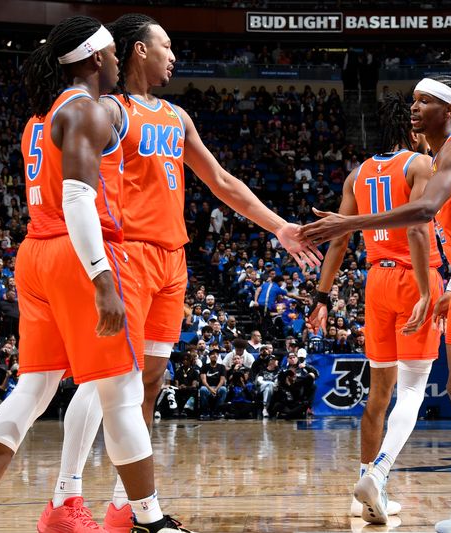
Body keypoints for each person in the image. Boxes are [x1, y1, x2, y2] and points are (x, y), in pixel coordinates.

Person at [43, 13, 320, 533]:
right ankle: (66, 496)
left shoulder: (175, 116)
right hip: (126, 254)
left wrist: (279, 226)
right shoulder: (107, 111)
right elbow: (75, 186)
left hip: (172, 259)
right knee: (106, 380)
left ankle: (125, 505)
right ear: (139, 51)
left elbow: (220, 180)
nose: (174, 55)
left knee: (148, 384)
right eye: (165, 46)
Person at [0, 17, 190, 533]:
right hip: (78, 251)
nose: (120, 62)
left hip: (34, 254)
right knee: (121, 395)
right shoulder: (87, 110)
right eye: (114, 55)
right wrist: (101, 278)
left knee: (31, 390)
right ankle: (148, 520)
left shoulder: (39, 116)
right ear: (96, 59)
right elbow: (77, 199)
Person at [304, 76, 451, 531]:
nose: (416, 107)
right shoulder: (433, 159)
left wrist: (350, 223)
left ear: (450, 111)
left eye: (427, 101)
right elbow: (433, 229)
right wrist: (439, 291)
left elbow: (422, 218)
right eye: (415, 101)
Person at [307, 92, 443, 524]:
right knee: (414, 389)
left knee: (378, 393)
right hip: (413, 276)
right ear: (411, 129)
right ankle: (379, 475)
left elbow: (340, 236)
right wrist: (426, 290)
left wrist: (322, 297)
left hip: (375, 283)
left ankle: (363, 486)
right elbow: (419, 228)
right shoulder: (419, 165)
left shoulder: (358, 174)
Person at [198, 347, 227, 420]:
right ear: (209, 356)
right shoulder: (204, 366)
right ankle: (205, 412)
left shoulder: (222, 367)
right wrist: (210, 389)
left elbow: (222, 380)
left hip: (218, 387)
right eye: (213, 354)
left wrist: (216, 389)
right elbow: (203, 380)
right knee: (203, 389)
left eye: (217, 354)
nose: (215, 355)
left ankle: (218, 412)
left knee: (223, 389)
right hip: (208, 387)